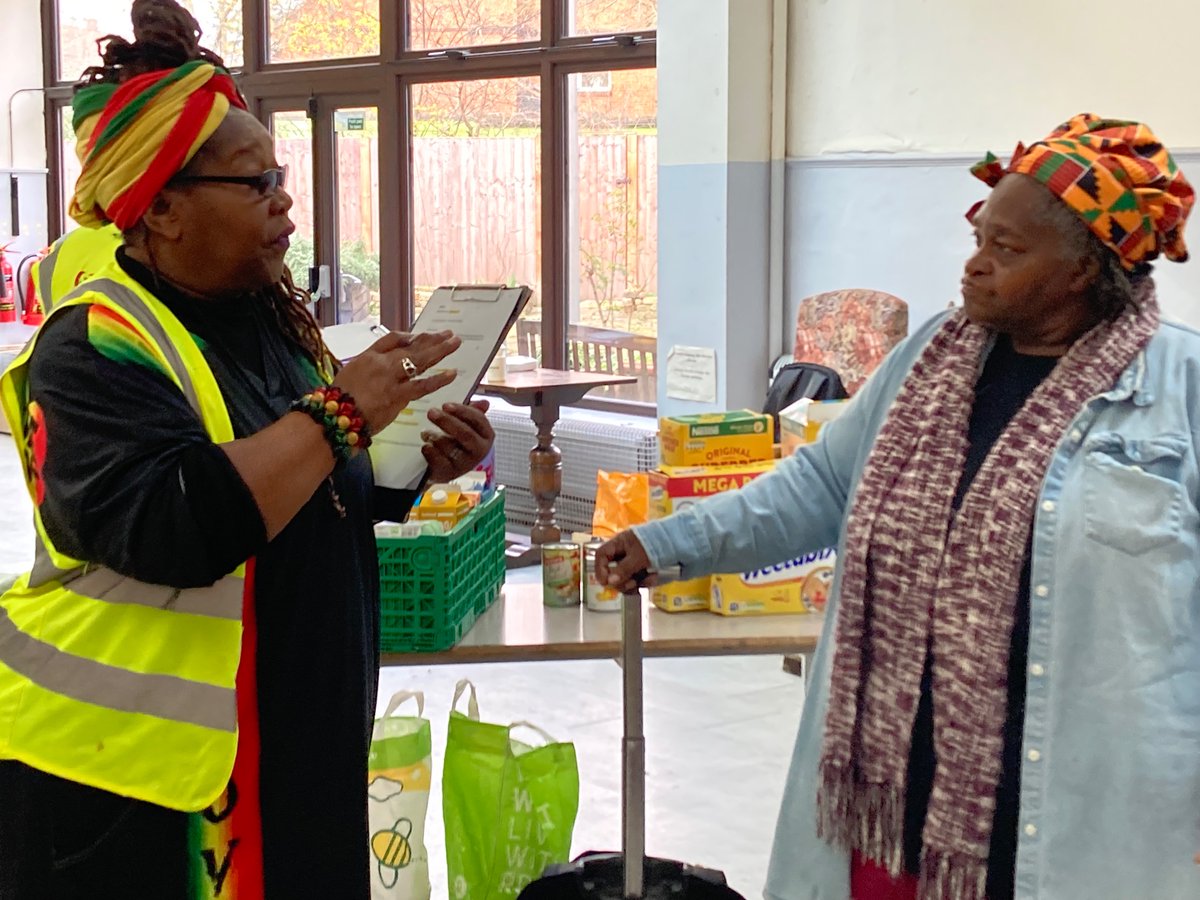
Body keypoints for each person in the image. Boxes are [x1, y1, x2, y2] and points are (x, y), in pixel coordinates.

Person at [599, 113, 1200, 900]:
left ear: (1086, 266)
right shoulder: (930, 360)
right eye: (979, 238)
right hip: (893, 798)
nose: (974, 266)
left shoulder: (1177, 393)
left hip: (1082, 813)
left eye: (1006, 249)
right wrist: (672, 541)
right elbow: (819, 485)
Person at [0, 2, 495, 897]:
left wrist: (413, 461)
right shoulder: (95, 345)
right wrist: (342, 413)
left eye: (281, 175)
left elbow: (314, 484)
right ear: (163, 210)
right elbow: (176, 527)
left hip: (292, 748)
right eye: (255, 181)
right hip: (138, 786)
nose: (285, 201)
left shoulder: (268, 319)